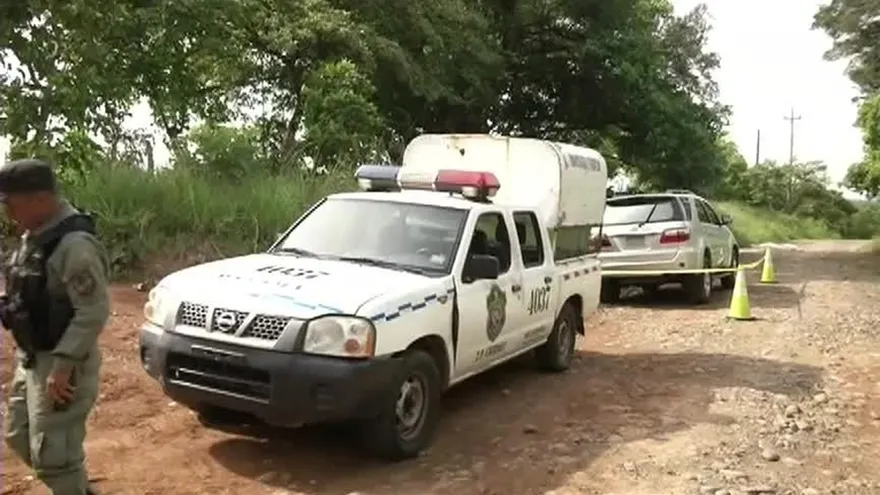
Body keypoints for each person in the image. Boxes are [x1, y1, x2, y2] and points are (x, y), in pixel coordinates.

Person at [0, 158, 110, 495]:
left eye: (12, 205)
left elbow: (93, 310)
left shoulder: (73, 245)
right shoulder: (35, 237)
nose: (8, 215)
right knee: (19, 436)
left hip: (63, 364)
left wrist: (63, 366)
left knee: (54, 455)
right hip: (33, 359)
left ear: (41, 199)